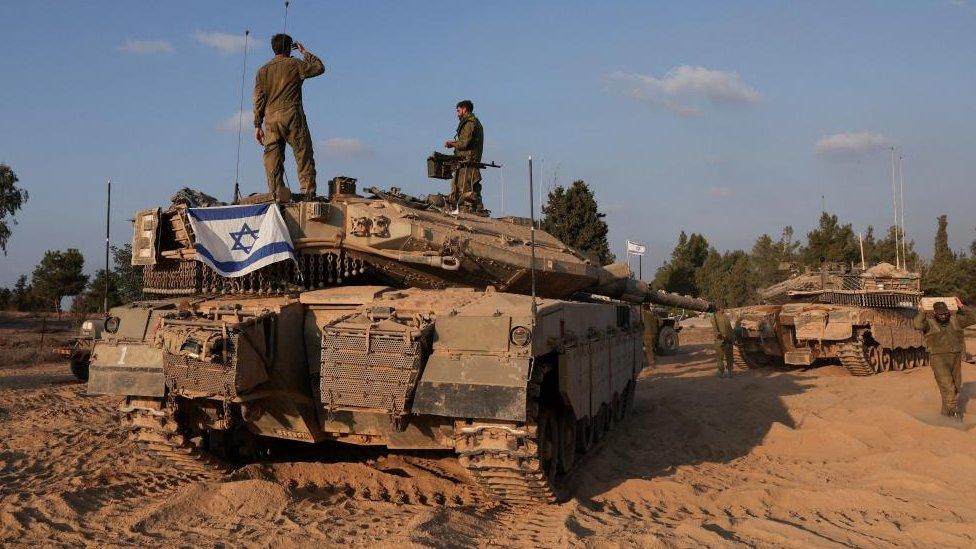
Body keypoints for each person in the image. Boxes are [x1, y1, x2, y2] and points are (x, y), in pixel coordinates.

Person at [253, 34, 325, 200]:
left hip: (271, 120)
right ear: (288, 48)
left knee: (273, 160)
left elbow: (258, 98)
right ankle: (308, 194)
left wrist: (257, 125)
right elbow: (319, 67)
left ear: (273, 48)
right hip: (292, 115)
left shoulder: (262, 71)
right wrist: (304, 52)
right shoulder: (295, 64)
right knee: (303, 154)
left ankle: (277, 195)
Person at [914, 298, 976, 421]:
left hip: (955, 357)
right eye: (940, 314)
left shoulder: (956, 320)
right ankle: (955, 416)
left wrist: (961, 306)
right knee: (948, 387)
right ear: (935, 313)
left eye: (945, 313)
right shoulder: (929, 322)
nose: (943, 316)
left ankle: (945, 415)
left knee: (956, 387)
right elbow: (917, 325)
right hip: (938, 358)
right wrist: (921, 311)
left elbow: (974, 318)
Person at [444, 100, 484, 213]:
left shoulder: (469, 123)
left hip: (467, 161)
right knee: (471, 186)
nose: (457, 114)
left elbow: (464, 143)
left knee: (463, 188)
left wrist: (452, 144)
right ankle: (475, 209)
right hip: (469, 160)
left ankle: (467, 210)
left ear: (465, 109)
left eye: (458, 111)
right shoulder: (475, 122)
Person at [712, 308, 735, 378]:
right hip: (720, 339)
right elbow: (715, 330)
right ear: (719, 309)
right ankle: (722, 371)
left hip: (727, 339)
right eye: (722, 308)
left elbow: (730, 329)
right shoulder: (714, 318)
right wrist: (720, 335)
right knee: (720, 356)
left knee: (729, 356)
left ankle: (729, 371)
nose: (724, 309)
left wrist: (732, 338)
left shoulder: (725, 317)